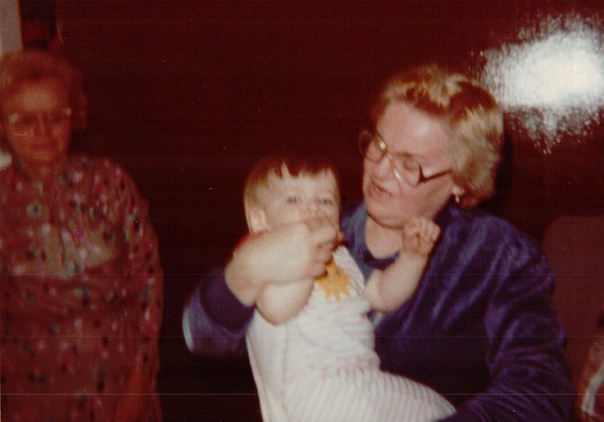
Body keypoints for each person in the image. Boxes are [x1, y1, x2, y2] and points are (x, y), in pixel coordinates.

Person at [182, 64, 574, 420]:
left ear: (460, 181)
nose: (380, 172)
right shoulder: (318, 225)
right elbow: (201, 338)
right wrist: (245, 273)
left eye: (409, 164)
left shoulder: (499, 256)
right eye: (379, 146)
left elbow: (542, 392)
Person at [212, 154, 455, 421]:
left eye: (325, 200)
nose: (313, 209)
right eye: (294, 200)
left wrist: (412, 257)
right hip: (313, 388)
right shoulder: (262, 255)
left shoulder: (343, 259)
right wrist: (308, 259)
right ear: (260, 220)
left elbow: (383, 294)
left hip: (360, 379)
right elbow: (276, 310)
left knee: (436, 408)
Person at [0, 49, 163, 421]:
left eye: (56, 116)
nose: (42, 131)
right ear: (3, 125)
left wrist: (140, 376)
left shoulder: (109, 181)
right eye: (25, 119)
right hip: (32, 391)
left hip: (121, 380)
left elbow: (148, 279)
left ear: (73, 117)